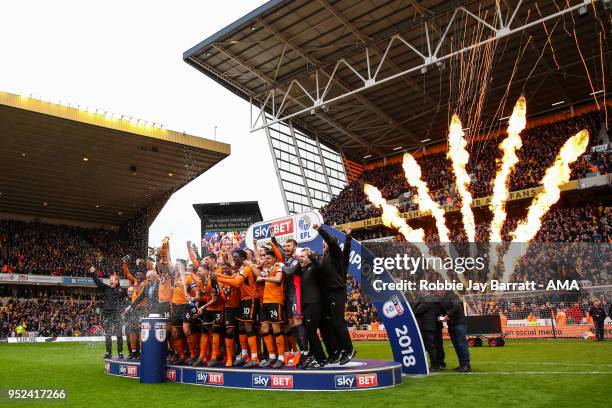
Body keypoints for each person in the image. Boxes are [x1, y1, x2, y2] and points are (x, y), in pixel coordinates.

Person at [314, 224, 355, 365]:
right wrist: (348, 238)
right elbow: (348, 252)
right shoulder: (327, 259)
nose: (323, 243)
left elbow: (333, 242)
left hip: (337, 292)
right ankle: (338, 350)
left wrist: (320, 230)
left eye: (324, 242)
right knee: (331, 323)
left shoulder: (335, 254)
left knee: (337, 322)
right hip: (328, 294)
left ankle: (349, 350)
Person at [213, 249, 262, 368]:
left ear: (242, 258)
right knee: (241, 326)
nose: (234, 259)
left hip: (251, 299)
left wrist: (218, 278)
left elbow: (236, 282)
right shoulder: (241, 268)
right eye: (233, 257)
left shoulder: (247, 268)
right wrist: (218, 275)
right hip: (244, 300)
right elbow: (232, 277)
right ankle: (245, 355)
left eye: (236, 257)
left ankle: (255, 358)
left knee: (248, 326)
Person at [271, 235, 306, 367]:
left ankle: (305, 352)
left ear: (294, 247)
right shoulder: (287, 258)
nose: (286, 248)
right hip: (288, 296)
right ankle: (299, 352)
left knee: (298, 323)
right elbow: (279, 248)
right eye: (285, 246)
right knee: (291, 325)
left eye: (288, 246)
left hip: (296, 294)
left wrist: (281, 266)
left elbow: (290, 271)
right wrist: (273, 238)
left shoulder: (296, 259)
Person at [88, 266, 126, 359]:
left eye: (112, 280)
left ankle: (120, 352)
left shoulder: (122, 290)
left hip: (116, 314)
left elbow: (127, 298)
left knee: (119, 334)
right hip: (107, 314)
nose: (110, 281)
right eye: (110, 280)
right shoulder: (106, 288)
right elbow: (98, 283)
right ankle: (108, 352)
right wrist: (93, 273)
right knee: (108, 334)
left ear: (117, 281)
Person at [256, 248, 286, 368]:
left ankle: (281, 357)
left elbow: (278, 279)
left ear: (274, 258)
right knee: (264, 328)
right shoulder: (267, 269)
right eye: (265, 258)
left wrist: (263, 278)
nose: (266, 260)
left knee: (276, 329)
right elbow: (258, 275)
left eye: (268, 258)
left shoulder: (279, 265)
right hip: (265, 301)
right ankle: (272, 356)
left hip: (275, 300)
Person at [297, 247, 326, 369]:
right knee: (309, 333)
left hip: (314, 304)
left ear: (309, 258)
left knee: (311, 332)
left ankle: (320, 359)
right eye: (300, 257)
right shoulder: (302, 270)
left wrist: (312, 255)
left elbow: (320, 268)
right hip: (306, 305)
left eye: (303, 256)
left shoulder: (314, 268)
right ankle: (315, 356)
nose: (300, 258)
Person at [438, 290, 471, 372]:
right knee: (457, 345)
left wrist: (448, 315)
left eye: (436, 291)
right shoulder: (442, 299)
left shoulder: (452, 296)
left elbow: (457, 306)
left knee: (461, 344)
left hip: (459, 324)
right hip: (452, 324)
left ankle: (466, 365)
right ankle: (462, 364)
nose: (436, 293)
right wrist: (443, 317)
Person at [414, 292, 443, 371]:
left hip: (427, 326)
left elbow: (417, 311)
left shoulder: (426, 301)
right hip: (435, 326)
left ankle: (434, 366)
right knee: (436, 346)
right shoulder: (435, 301)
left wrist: (418, 301)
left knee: (430, 347)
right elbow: (438, 313)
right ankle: (438, 363)